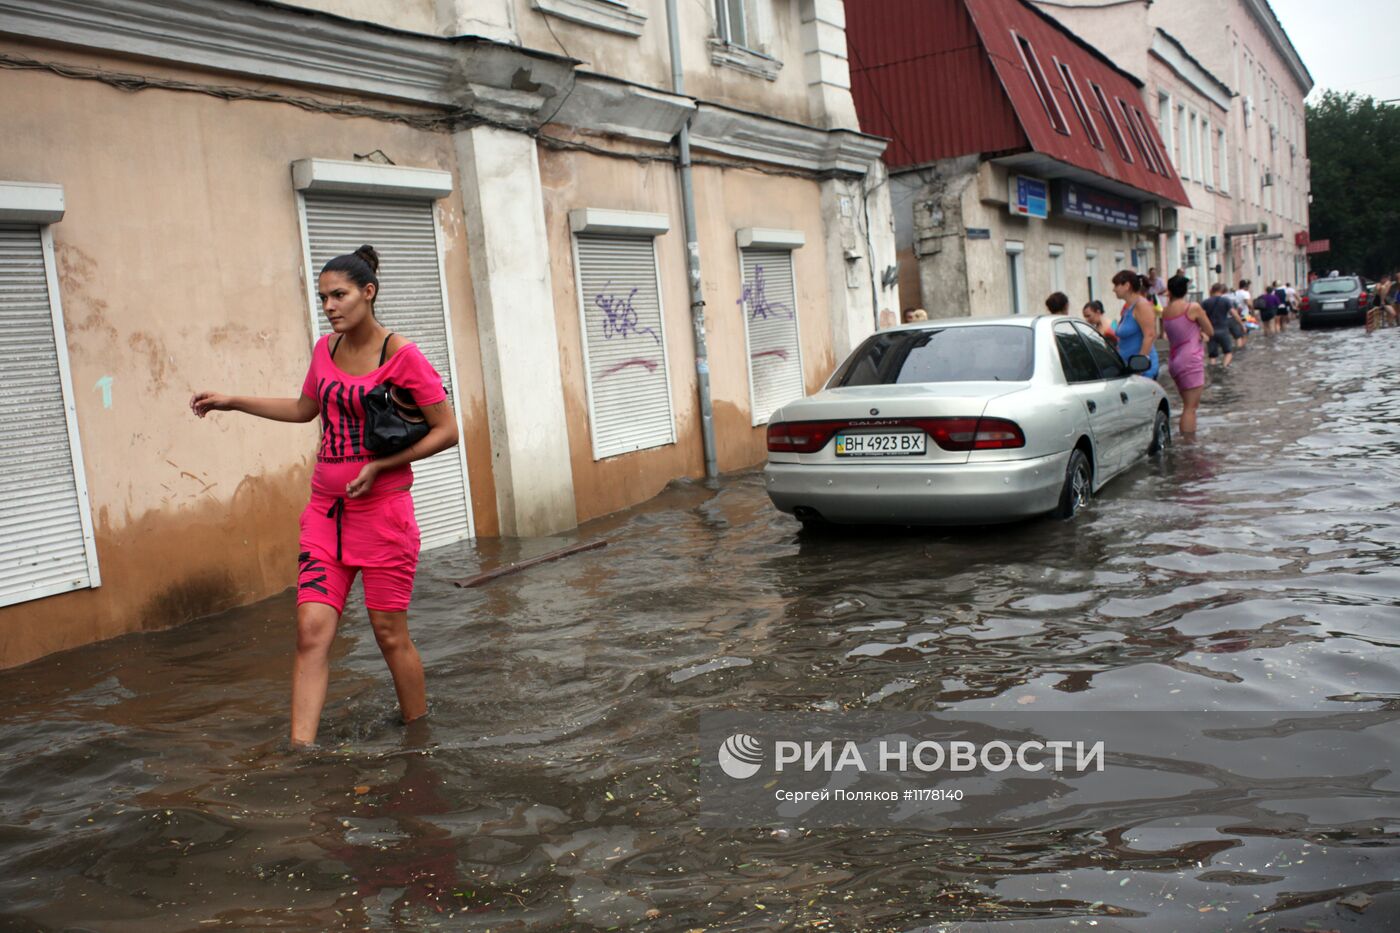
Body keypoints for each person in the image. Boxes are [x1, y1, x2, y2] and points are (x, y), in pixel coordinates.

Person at [190, 244, 460, 747]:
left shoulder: (402, 356)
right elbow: (303, 409)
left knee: (389, 634)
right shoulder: (324, 350)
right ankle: (300, 753)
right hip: (324, 515)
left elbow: (447, 431)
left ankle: (419, 738)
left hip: (383, 517)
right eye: (323, 298)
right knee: (310, 631)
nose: (330, 306)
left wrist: (381, 465)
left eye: (339, 295)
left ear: (368, 292)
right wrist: (233, 401)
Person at [1161, 274, 1214, 434]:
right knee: (1190, 408)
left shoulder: (1165, 311)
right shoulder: (1193, 308)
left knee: (1186, 405)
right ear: (1185, 290)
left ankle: (1186, 444)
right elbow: (1210, 330)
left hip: (1174, 360)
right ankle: (1189, 446)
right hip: (1191, 359)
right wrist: (1202, 334)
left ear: (1169, 291)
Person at [1110, 270, 1159, 378]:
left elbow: (1150, 336)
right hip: (1130, 368)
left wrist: (1139, 367)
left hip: (1142, 371)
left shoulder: (1142, 305)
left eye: (1116, 285)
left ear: (1127, 285)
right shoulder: (1129, 307)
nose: (1114, 289)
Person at [1201, 283, 1239, 367]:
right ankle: (1224, 368)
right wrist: (1241, 325)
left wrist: (1201, 331)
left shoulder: (1205, 302)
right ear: (1222, 291)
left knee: (1212, 356)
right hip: (1223, 331)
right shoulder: (1226, 301)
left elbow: (1201, 317)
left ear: (1212, 290)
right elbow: (1234, 314)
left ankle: (1213, 371)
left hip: (1210, 332)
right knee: (1228, 352)